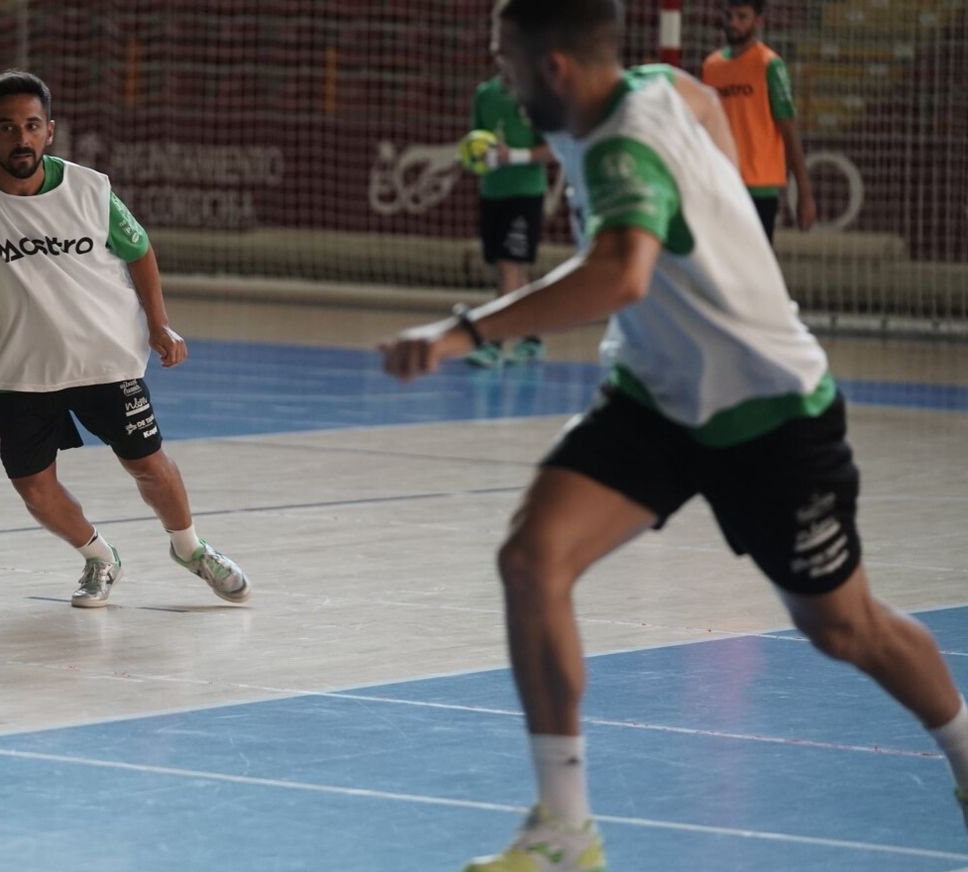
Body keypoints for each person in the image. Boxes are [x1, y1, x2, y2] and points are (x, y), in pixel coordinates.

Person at [381, 1, 968, 868]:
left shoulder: (620, 149)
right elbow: (699, 99)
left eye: (506, 62)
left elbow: (620, 272)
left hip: (770, 411)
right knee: (531, 560)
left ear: (553, 70)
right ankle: (564, 830)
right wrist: (725, 205)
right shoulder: (653, 84)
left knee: (845, 629)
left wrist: (461, 332)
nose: (498, 76)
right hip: (657, 395)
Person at [0, 70, 252, 609]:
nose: (20, 138)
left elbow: (139, 250)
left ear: (49, 131)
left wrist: (158, 323)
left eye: (31, 125)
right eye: (7, 127)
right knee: (33, 488)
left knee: (148, 463)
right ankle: (98, 557)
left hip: (106, 359)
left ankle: (190, 549)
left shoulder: (91, 189)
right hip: (19, 369)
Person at [701, 0, 815, 242]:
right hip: (722, 183)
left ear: (758, 21)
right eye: (729, 16)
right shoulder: (712, 67)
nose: (733, 23)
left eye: (742, 17)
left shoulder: (770, 65)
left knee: (754, 270)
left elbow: (789, 130)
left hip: (759, 186)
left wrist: (804, 194)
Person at [468, 75, 554, 368]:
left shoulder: (538, 93)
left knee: (510, 264)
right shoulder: (485, 93)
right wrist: (476, 157)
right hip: (493, 191)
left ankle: (494, 342)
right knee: (508, 268)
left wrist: (512, 157)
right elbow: (476, 140)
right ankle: (531, 338)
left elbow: (552, 150)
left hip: (525, 193)